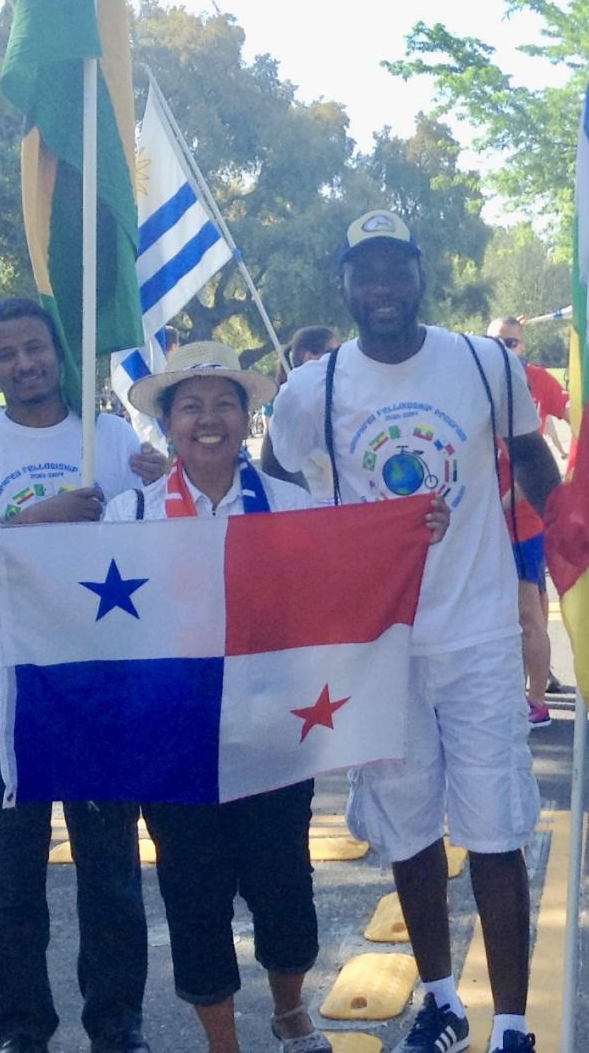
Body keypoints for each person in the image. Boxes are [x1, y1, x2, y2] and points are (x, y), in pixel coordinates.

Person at [262, 211, 562, 1053]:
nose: (383, 287)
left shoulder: (484, 362)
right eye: (367, 272)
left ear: (420, 275)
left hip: (475, 634)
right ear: (346, 285)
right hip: (377, 641)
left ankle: (509, 1023)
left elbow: (535, 465)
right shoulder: (310, 391)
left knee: (497, 829)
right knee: (407, 829)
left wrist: (584, 545)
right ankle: (440, 1000)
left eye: (397, 269)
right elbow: (279, 490)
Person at [106, 342, 430, 1053]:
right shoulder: (129, 513)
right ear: (167, 422)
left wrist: (412, 533)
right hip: (178, 748)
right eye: (190, 405)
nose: (209, 419)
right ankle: (224, 1042)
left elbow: (349, 578)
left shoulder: (293, 508)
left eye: (225, 402)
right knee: (193, 899)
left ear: (249, 417)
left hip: (277, 737)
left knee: (284, 892)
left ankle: (290, 1016)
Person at [0, 298, 162, 1053]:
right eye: (6, 354)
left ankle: (116, 1021)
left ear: (59, 352)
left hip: (101, 682)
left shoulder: (116, 440)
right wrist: (33, 524)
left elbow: (169, 541)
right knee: (12, 880)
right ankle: (22, 1027)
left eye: (36, 348)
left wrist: (164, 480)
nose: (24, 364)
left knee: (111, 875)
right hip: (9, 687)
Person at [487, 316, 568, 725]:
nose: (505, 349)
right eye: (496, 342)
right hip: (485, 523)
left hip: (522, 520)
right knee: (500, 615)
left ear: (524, 345)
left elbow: (581, 419)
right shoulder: (478, 382)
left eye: (512, 342)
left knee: (526, 612)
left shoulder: (539, 381)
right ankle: (517, 691)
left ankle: (535, 700)